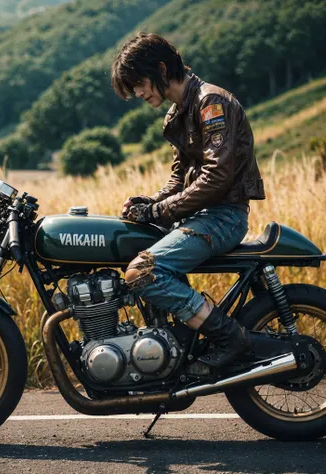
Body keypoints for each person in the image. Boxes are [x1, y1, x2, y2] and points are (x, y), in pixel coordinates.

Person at [110, 33, 266, 368]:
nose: (137, 93)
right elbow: (178, 178)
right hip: (198, 216)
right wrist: (148, 203)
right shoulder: (178, 114)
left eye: (139, 83)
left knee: (141, 273)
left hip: (222, 216)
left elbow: (216, 177)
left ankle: (231, 338)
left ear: (162, 69)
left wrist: (160, 209)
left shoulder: (212, 103)